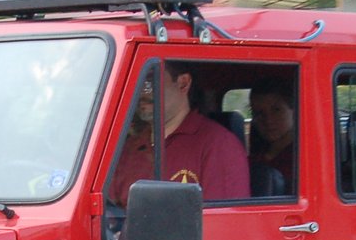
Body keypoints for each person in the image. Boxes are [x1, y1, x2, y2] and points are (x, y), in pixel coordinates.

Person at [111, 63, 249, 202]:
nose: (141, 92)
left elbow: (223, 220)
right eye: (137, 83)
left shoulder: (219, 145)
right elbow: (107, 212)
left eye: (149, 82)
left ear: (183, 83)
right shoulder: (129, 147)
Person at [248, 78, 297, 193]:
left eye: (276, 110)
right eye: (259, 113)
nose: (268, 120)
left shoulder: (302, 158)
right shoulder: (253, 159)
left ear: (293, 111)